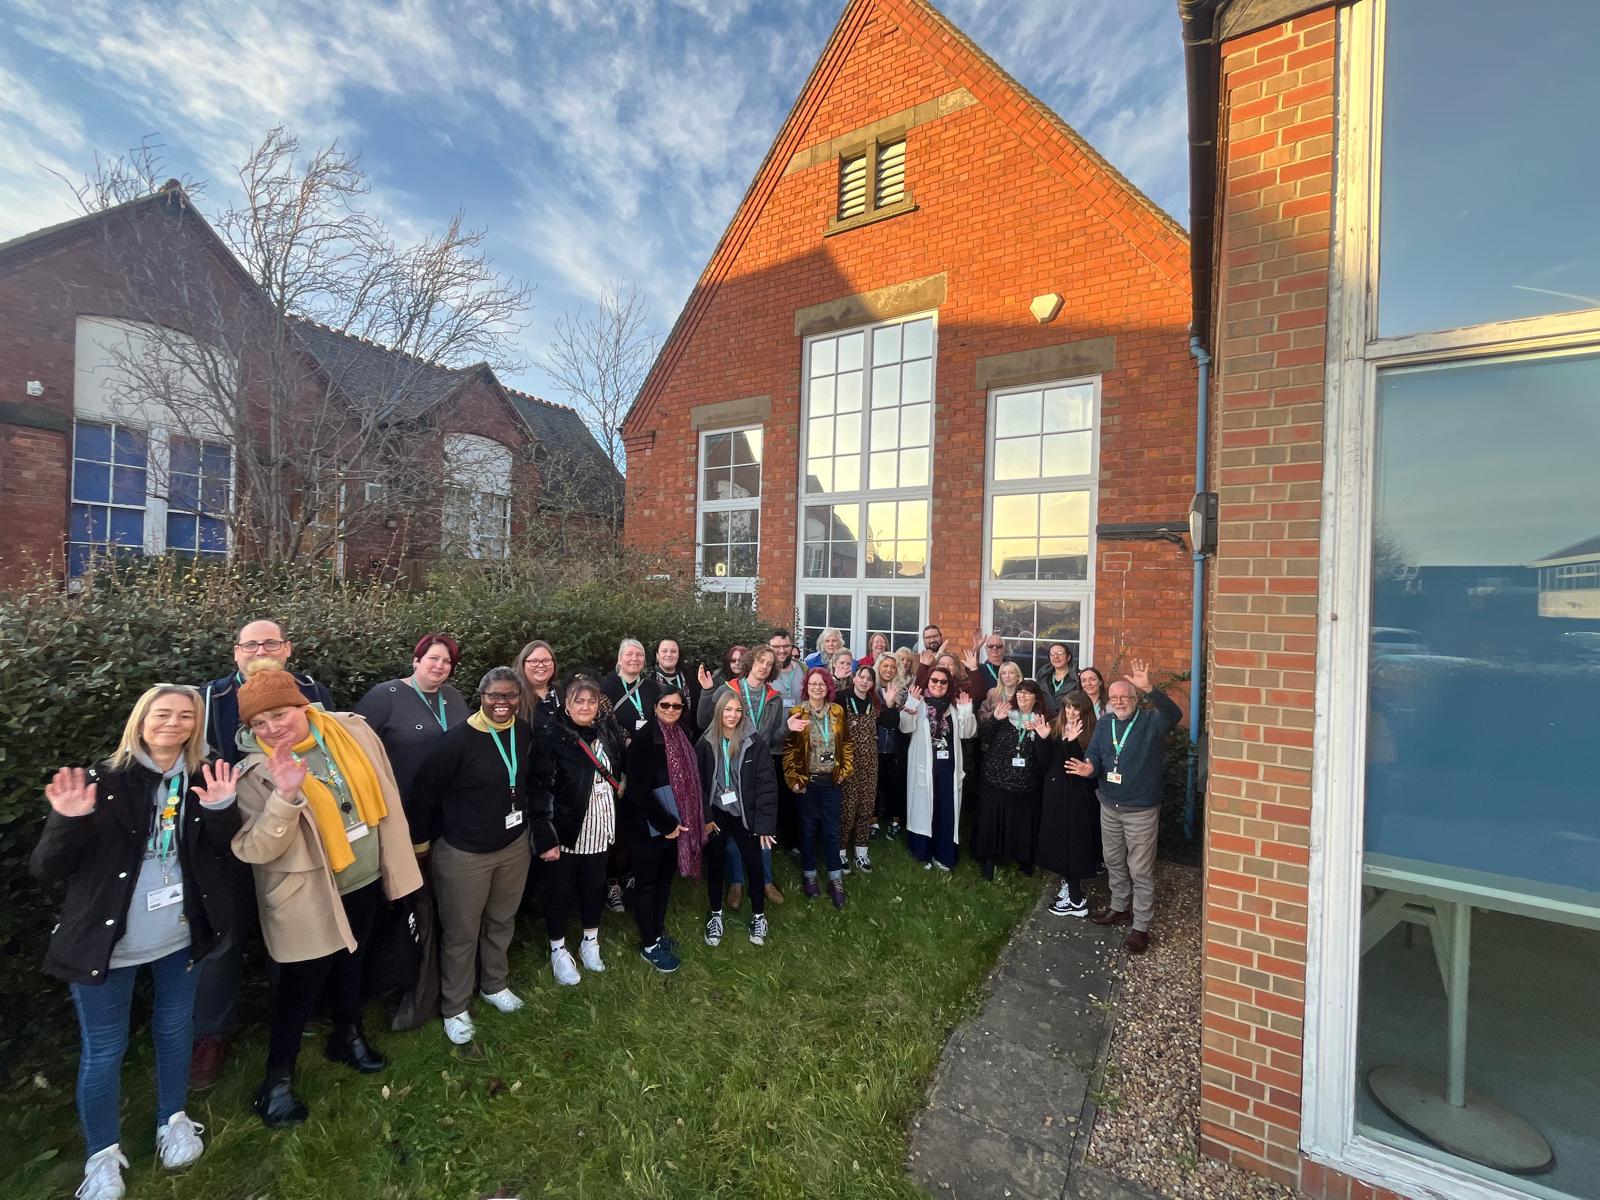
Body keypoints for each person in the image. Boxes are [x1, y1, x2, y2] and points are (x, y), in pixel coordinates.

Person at [32, 685, 241, 1200]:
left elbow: (223, 854)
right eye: (162, 714)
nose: (173, 723)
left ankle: (173, 1119)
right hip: (109, 945)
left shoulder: (199, 778)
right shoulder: (102, 782)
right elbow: (47, 869)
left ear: (197, 725)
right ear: (140, 721)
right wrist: (68, 821)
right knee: (105, 1049)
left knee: (175, 1030)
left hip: (178, 934)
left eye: (185, 716)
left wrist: (223, 808)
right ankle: (102, 1155)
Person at [230, 662, 423, 1127]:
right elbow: (255, 848)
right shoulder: (253, 772)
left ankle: (348, 1036)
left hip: (364, 875)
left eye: (280, 714)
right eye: (259, 722)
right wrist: (285, 796)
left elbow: (384, 793)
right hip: (307, 892)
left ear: (301, 705)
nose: (273, 728)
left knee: (353, 963)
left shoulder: (349, 733)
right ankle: (277, 1080)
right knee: (299, 987)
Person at [189, 618, 335, 1090]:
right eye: (250, 645)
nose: (260, 650)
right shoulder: (209, 697)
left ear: (287, 649)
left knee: (292, 921)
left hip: (293, 823)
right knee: (225, 936)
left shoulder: (312, 691)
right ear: (236, 653)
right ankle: (212, 1035)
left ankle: (294, 1009)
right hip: (229, 831)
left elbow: (326, 754)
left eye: (270, 642)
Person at [407, 669, 539, 1046]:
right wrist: (420, 848)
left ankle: (494, 984)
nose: (502, 704)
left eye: (510, 696)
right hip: (464, 853)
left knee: (501, 919)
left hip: (513, 845)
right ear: (480, 695)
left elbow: (521, 783)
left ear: (519, 698)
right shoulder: (457, 742)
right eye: (494, 696)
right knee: (462, 933)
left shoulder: (522, 731)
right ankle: (454, 1005)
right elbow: (423, 794)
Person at [1062, 659, 1180, 954]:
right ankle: (1119, 907)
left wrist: (1150, 688)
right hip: (1109, 805)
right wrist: (1089, 769)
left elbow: (1174, 713)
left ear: (1135, 699)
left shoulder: (1151, 722)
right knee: (1113, 860)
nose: (1119, 702)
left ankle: (1141, 926)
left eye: (1125, 697)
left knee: (1139, 869)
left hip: (1140, 808)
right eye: (1114, 698)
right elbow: (1095, 756)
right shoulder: (1105, 723)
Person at [529, 677, 625, 985]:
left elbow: (618, 768)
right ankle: (558, 949)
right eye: (579, 701)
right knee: (560, 891)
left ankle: (590, 942)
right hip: (568, 830)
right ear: (566, 705)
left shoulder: (606, 731)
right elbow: (539, 788)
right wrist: (545, 834)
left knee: (594, 887)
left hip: (602, 825)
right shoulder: (550, 738)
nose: (586, 707)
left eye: (591, 701)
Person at [695, 646, 791, 907]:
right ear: (751, 662)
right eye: (761, 661)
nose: (764, 666)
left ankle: (766, 880)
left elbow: (772, 738)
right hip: (729, 767)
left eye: (769, 664)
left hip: (758, 766)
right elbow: (704, 722)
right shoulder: (729, 689)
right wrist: (706, 690)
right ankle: (737, 882)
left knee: (762, 821)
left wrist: (787, 728)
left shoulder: (775, 698)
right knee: (734, 823)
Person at [621, 684, 703, 974]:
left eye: (676, 706)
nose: (670, 710)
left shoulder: (682, 735)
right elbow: (637, 792)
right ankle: (648, 944)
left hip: (676, 825)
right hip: (650, 828)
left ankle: (657, 933)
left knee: (664, 884)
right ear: (655, 707)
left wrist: (677, 825)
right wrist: (666, 824)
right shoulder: (644, 741)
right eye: (665, 705)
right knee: (647, 885)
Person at [353, 634, 469, 828]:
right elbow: (354, 747)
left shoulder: (454, 697)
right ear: (416, 660)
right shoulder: (385, 695)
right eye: (433, 658)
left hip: (449, 806)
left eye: (447, 661)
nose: (440, 665)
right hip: (401, 806)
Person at [698, 691, 778, 948]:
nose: (732, 715)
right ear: (719, 711)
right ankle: (715, 914)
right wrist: (706, 817)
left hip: (747, 813)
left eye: (737, 710)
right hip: (717, 812)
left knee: (754, 863)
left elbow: (767, 784)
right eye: (727, 710)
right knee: (717, 863)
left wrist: (764, 824)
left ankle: (758, 916)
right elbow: (697, 784)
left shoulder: (754, 743)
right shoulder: (706, 742)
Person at [781, 668, 853, 907]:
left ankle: (835, 879)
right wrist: (794, 779)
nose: (817, 688)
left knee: (832, 831)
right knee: (808, 830)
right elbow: (789, 750)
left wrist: (844, 772)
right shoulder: (798, 712)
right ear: (806, 687)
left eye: (822, 684)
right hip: (807, 782)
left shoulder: (837, 711)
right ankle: (810, 874)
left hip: (831, 782)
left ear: (828, 687)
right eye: (813, 684)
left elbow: (847, 744)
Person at [974, 680, 1052, 880]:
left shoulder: (1042, 721)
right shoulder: (1005, 715)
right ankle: (989, 860)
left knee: (1023, 824)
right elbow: (984, 738)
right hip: (995, 780)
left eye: (1028, 693)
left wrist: (1040, 737)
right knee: (992, 821)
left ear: (1036, 698)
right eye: (1019, 692)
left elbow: (1045, 760)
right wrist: (994, 719)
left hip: (1025, 785)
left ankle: (1023, 859)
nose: (1022, 696)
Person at [900, 668, 976, 871]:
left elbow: (968, 733)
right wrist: (910, 705)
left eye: (943, 682)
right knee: (923, 809)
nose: (938, 685)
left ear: (949, 685)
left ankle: (943, 854)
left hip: (948, 769)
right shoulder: (920, 704)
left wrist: (967, 710)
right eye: (934, 680)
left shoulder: (955, 707)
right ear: (928, 682)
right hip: (923, 767)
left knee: (945, 809)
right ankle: (921, 852)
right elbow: (905, 727)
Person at [1037, 691, 1100, 918]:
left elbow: (1076, 766)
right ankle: (1068, 887)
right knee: (1058, 841)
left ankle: (1076, 899)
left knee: (1073, 844)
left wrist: (1071, 743)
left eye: (1076, 708)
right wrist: (1044, 738)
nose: (1071, 712)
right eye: (1067, 707)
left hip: (1077, 795)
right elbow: (1046, 761)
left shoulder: (1091, 732)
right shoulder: (1057, 727)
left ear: (1085, 712)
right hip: (1055, 793)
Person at [839, 664, 889, 873]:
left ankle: (861, 851)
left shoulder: (875, 701)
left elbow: (890, 722)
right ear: (854, 678)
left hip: (870, 761)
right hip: (848, 761)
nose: (864, 681)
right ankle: (840, 852)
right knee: (847, 807)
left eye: (869, 679)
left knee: (866, 806)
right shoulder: (841, 697)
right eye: (861, 677)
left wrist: (891, 704)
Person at [874, 654, 908, 839]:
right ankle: (873, 821)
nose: (889, 670)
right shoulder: (871, 689)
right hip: (875, 745)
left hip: (896, 746)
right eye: (885, 666)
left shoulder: (903, 692)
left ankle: (895, 821)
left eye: (893, 667)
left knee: (896, 784)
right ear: (878, 667)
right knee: (874, 784)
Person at [600, 638, 658, 740]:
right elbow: (603, 720)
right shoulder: (605, 686)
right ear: (620, 659)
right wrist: (626, 739)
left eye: (639, 655)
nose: (634, 658)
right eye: (629, 654)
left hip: (649, 748)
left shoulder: (654, 688)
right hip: (619, 749)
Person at [652, 639, 701, 740]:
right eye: (664, 651)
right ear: (657, 655)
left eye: (673, 651)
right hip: (657, 740)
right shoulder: (648, 680)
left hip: (688, 737)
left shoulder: (690, 678)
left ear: (678, 655)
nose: (669, 654)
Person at [512, 639, 564, 726]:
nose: (541, 665)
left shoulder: (562, 693)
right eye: (534, 661)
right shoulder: (513, 697)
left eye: (546, 660)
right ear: (522, 664)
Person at [1035, 642, 1081, 714]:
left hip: (1069, 721)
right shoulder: (1042, 677)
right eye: (1052, 654)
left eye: (1060, 653)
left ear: (1068, 657)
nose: (1056, 657)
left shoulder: (1079, 678)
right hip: (1046, 722)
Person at [767, 628, 806, 705]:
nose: (782, 650)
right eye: (776, 647)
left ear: (792, 647)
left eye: (786, 646)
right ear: (768, 647)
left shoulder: (804, 669)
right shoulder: (763, 671)